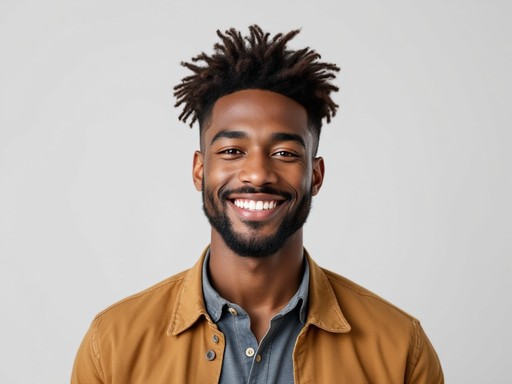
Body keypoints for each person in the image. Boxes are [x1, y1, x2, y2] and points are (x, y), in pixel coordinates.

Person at [71, 25, 444, 383]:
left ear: (315, 176)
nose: (257, 174)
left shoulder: (399, 349)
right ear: (200, 170)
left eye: (284, 152)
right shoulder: (114, 344)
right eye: (233, 151)